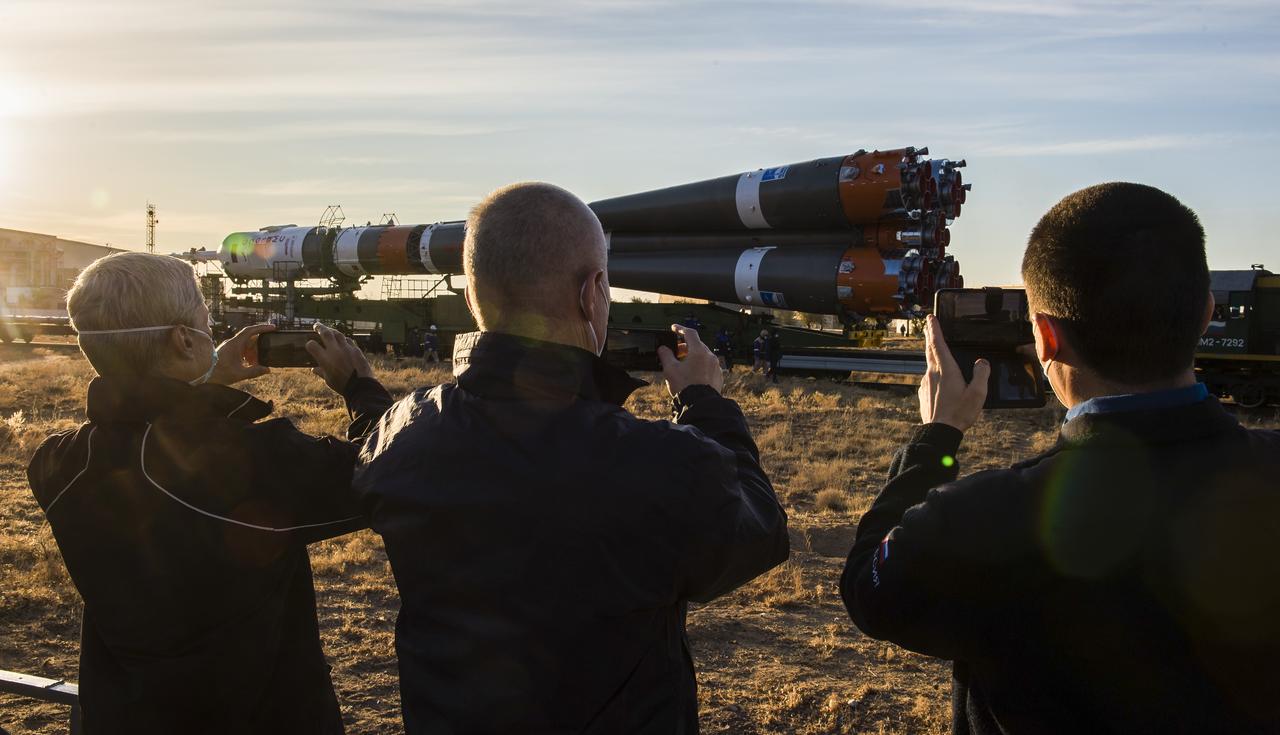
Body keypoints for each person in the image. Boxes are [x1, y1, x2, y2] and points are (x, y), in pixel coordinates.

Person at [840, 183, 1280, 734]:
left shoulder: (986, 516)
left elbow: (869, 590)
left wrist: (937, 439)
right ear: (1206, 314)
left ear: (1045, 336)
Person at [354, 182, 789, 734]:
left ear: (471, 298)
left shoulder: (403, 433)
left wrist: (358, 390)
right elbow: (762, 531)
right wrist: (704, 403)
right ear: (593, 294)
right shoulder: (659, 462)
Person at [26, 252, 393, 734]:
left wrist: (203, 378)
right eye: (203, 321)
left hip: (126, 716)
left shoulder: (58, 463)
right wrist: (360, 387)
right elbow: (386, 470)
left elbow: (148, 430)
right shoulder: (243, 462)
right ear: (183, 339)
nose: (210, 333)